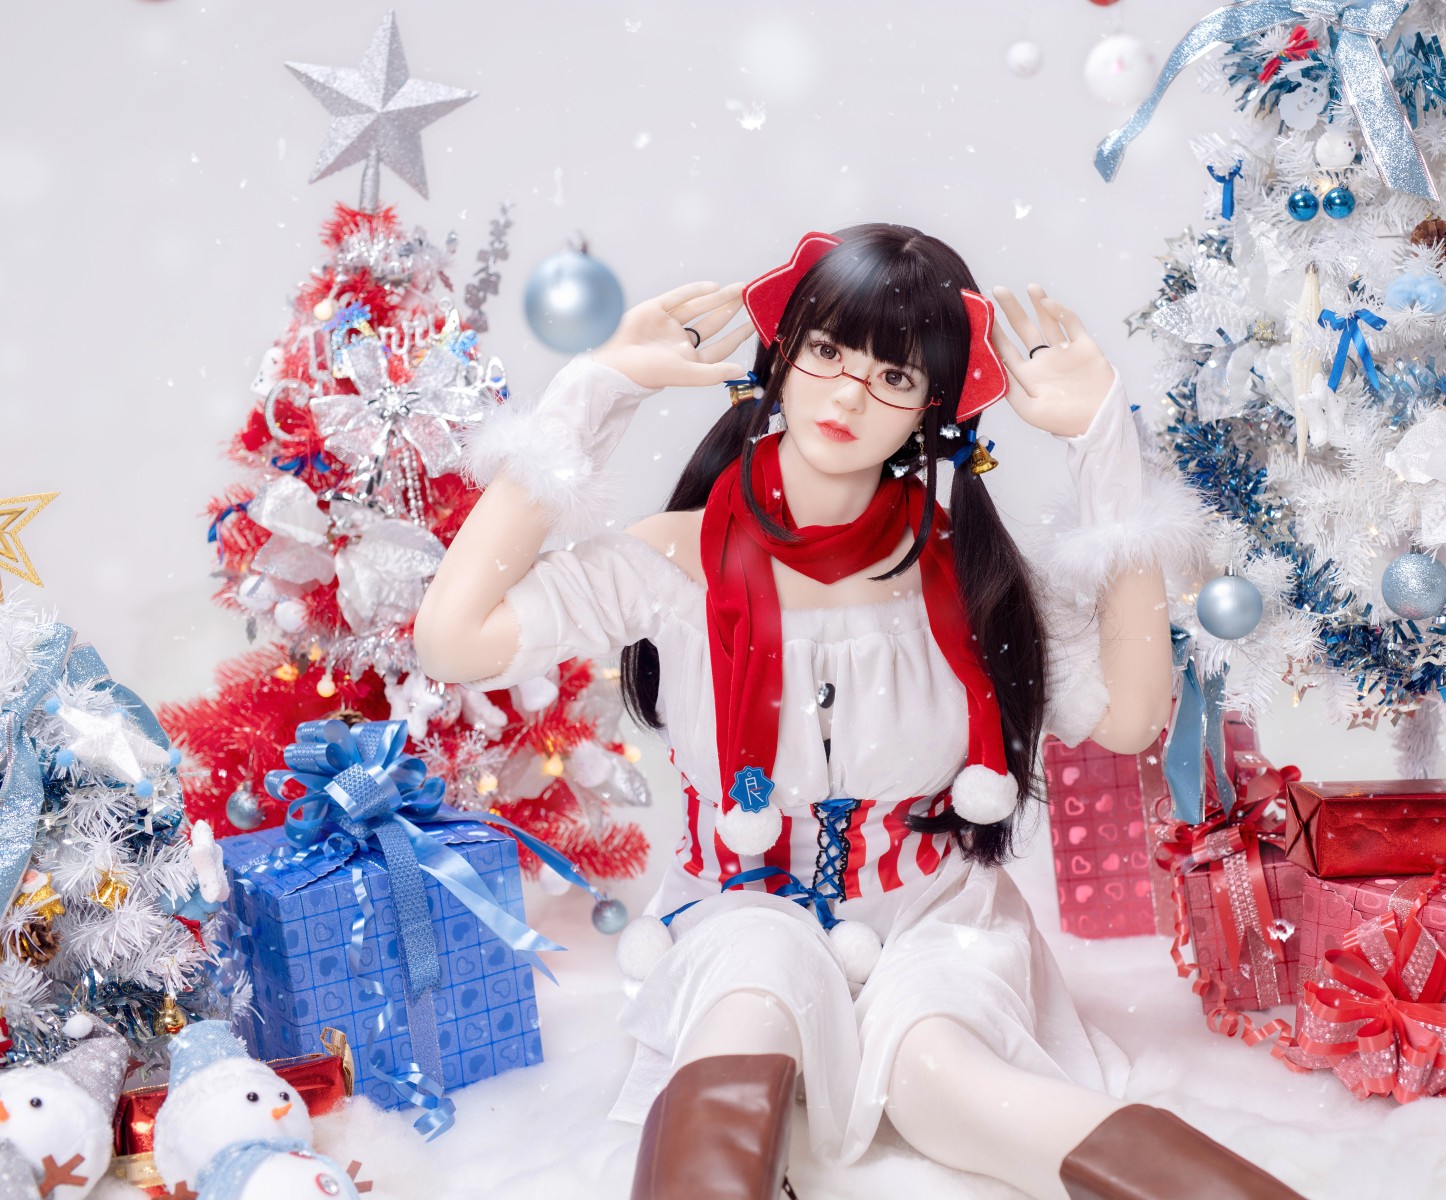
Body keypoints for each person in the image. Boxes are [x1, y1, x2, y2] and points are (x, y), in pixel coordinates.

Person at [415, 225, 1304, 1200]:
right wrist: (599, 390)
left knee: (941, 1077)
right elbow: (453, 638)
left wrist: (1105, 445)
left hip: (934, 916)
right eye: (828, 351)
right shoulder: (674, 560)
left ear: (932, 408)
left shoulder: (972, 574)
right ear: (782, 354)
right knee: (748, 1001)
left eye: (893, 376)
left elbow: (1132, 719)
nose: (846, 395)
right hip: (739, 904)